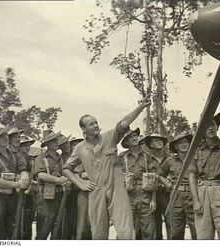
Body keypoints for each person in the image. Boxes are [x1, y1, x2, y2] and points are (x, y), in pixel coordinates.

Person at [63, 93, 151, 240]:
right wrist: (81, 183)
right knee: (98, 232)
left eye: (96, 122)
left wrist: (140, 107)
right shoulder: (79, 148)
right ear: (83, 130)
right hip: (96, 190)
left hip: (116, 187)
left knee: (125, 231)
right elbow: (66, 168)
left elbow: (123, 123)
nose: (96, 125)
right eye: (91, 124)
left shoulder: (109, 137)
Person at [0, 124, 29, 240]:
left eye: (5, 134)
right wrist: (16, 184)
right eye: (0, 136)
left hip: (12, 197)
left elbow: (23, 170)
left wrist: (24, 177)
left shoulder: (15, 155)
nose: (5, 137)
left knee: (13, 231)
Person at [118, 128, 156, 240]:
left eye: (135, 135)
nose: (134, 138)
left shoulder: (147, 156)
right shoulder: (121, 157)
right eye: (130, 137)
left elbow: (153, 179)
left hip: (145, 197)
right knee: (126, 231)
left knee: (148, 232)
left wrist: (153, 200)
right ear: (126, 142)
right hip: (128, 197)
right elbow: (118, 179)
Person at [34, 130, 71, 240]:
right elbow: (41, 175)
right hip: (46, 199)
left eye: (56, 140)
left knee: (58, 232)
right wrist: (59, 180)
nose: (56, 142)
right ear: (47, 144)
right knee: (43, 231)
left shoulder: (62, 159)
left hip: (61, 196)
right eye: (52, 141)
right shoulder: (41, 158)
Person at [159, 133, 197, 240]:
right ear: (176, 146)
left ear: (190, 143)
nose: (183, 144)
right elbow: (160, 175)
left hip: (193, 196)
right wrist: (168, 184)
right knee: (176, 232)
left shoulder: (196, 158)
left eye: (185, 142)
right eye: (180, 143)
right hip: (176, 197)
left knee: (197, 231)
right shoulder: (170, 160)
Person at [144, 133, 171, 239]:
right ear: (151, 144)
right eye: (155, 140)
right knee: (155, 225)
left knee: (171, 222)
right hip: (152, 195)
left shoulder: (171, 158)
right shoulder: (147, 159)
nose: (159, 142)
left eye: (161, 140)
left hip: (168, 194)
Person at [70, 137, 92, 240]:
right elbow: (76, 175)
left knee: (93, 220)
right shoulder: (80, 159)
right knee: (81, 221)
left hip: (96, 192)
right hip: (84, 192)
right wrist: (83, 183)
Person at [58, 134, 77, 239]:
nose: (66, 146)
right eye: (62, 144)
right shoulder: (60, 159)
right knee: (66, 217)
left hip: (78, 188)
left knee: (77, 217)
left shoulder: (76, 155)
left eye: (66, 143)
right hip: (66, 190)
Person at [19, 134, 36, 240]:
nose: (27, 147)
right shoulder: (16, 158)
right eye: (24, 145)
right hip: (19, 193)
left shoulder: (29, 160)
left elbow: (32, 175)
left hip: (30, 193)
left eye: (28, 145)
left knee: (28, 224)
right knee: (20, 224)